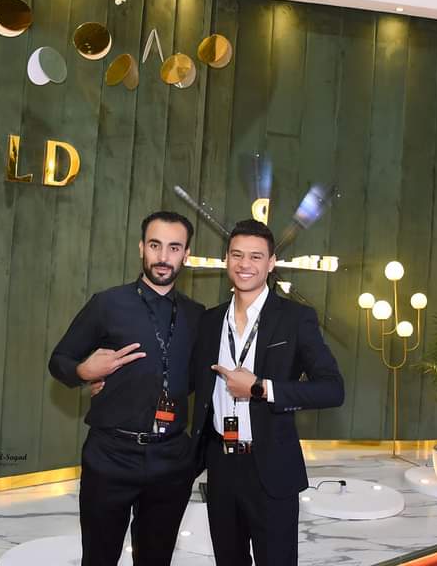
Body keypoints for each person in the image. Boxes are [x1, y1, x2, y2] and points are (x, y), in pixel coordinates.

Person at [49, 211, 205, 566]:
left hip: (171, 460)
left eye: (174, 247)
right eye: (155, 245)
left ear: (186, 254)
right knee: (99, 558)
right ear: (141, 248)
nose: (163, 256)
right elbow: (59, 360)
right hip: (110, 456)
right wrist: (84, 371)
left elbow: (199, 382)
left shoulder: (198, 315)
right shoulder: (107, 304)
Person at [191, 218, 345, 566]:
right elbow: (190, 380)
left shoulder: (295, 318)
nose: (245, 264)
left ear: (271, 263)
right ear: (227, 259)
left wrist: (261, 388)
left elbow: (333, 389)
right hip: (220, 462)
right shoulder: (209, 321)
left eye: (256, 256)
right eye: (237, 255)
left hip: (271, 467)